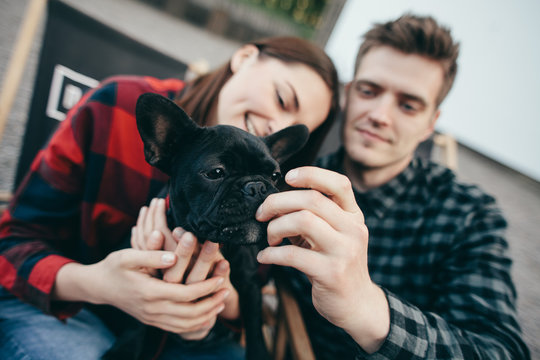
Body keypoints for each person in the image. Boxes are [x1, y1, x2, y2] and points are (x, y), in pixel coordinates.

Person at [0, 36, 340, 359]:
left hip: (193, 334)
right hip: (69, 307)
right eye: (281, 99)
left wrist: (208, 303)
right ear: (245, 58)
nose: (274, 126)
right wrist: (98, 284)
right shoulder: (116, 107)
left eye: (292, 125)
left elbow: (253, 280)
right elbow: (10, 244)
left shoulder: (263, 191)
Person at [255, 14, 531, 359]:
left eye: (408, 105)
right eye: (369, 91)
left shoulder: (469, 216)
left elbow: (502, 351)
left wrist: (366, 308)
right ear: (349, 93)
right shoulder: (293, 182)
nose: (380, 115)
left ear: (430, 124)